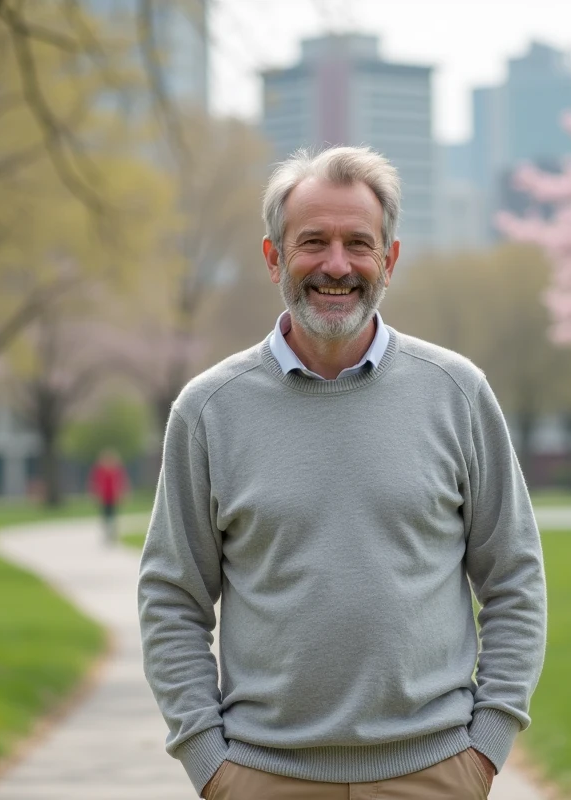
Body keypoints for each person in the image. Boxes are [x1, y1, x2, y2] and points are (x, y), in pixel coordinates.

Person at [138, 146, 547, 800]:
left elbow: (515, 575)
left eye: (359, 243)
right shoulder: (208, 410)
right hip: (262, 778)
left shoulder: (458, 394)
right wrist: (209, 763)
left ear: (390, 259)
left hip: (435, 776)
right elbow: (171, 597)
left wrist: (486, 747)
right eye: (313, 242)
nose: (336, 265)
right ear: (274, 257)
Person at [89, 449, 128, 544]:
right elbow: (95, 483)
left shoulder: (116, 470)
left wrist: (122, 494)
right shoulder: (100, 470)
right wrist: (95, 495)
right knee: (105, 515)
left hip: (113, 497)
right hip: (104, 497)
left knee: (113, 515)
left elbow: (121, 482)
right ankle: (106, 533)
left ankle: (112, 533)